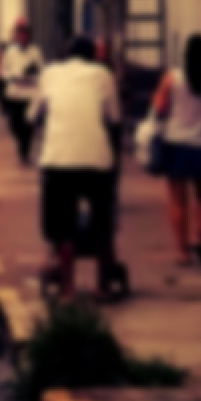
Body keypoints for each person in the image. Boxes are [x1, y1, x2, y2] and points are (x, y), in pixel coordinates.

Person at [28, 35, 123, 301]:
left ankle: (67, 289)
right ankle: (103, 287)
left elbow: (33, 115)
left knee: (62, 226)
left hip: (58, 160)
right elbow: (114, 119)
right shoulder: (104, 75)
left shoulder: (50, 74)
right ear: (93, 56)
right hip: (97, 160)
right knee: (102, 223)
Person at [151, 35, 201, 266]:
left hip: (175, 146)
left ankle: (182, 252)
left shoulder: (172, 78)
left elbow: (159, 108)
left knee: (178, 201)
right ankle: (198, 237)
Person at [0, 18, 43, 164]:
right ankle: (21, 143)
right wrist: (12, 77)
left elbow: (41, 71)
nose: (23, 37)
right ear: (17, 36)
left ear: (29, 35)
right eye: (20, 34)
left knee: (27, 124)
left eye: (25, 34)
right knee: (14, 125)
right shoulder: (10, 52)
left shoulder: (36, 52)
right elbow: (3, 71)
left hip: (29, 94)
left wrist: (32, 75)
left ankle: (24, 150)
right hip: (14, 93)